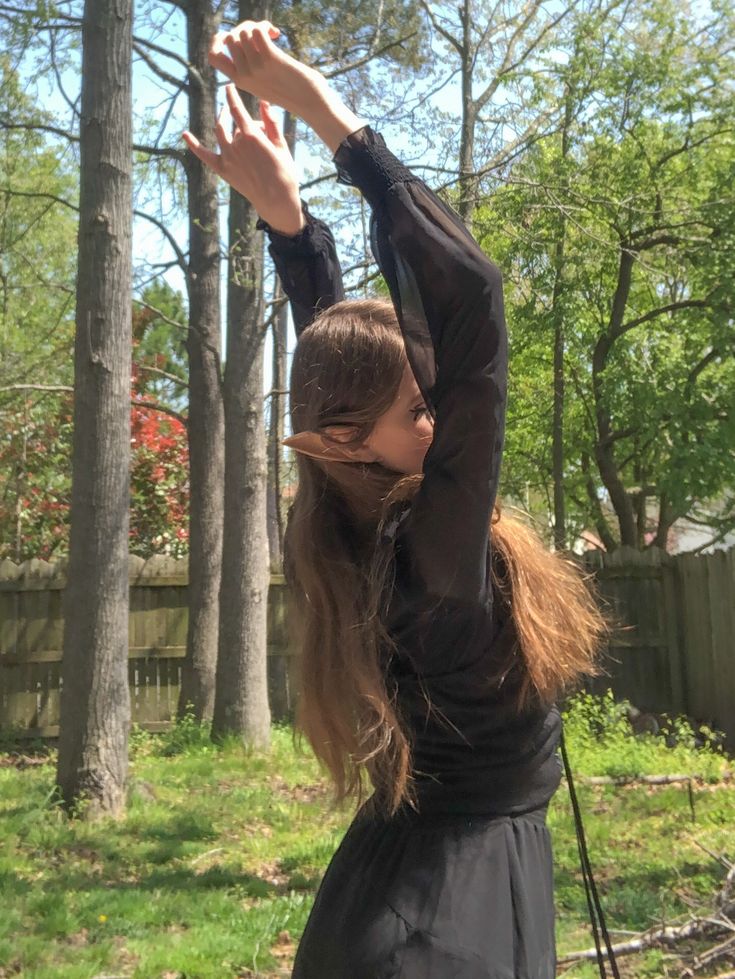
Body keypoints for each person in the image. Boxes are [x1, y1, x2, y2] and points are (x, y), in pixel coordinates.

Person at [184, 21, 611, 979]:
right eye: (421, 409)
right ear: (348, 442)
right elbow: (472, 305)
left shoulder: (354, 509)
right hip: (442, 918)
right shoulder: (433, 546)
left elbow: (347, 370)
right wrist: (327, 117)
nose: (438, 420)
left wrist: (291, 228)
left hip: (408, 876)